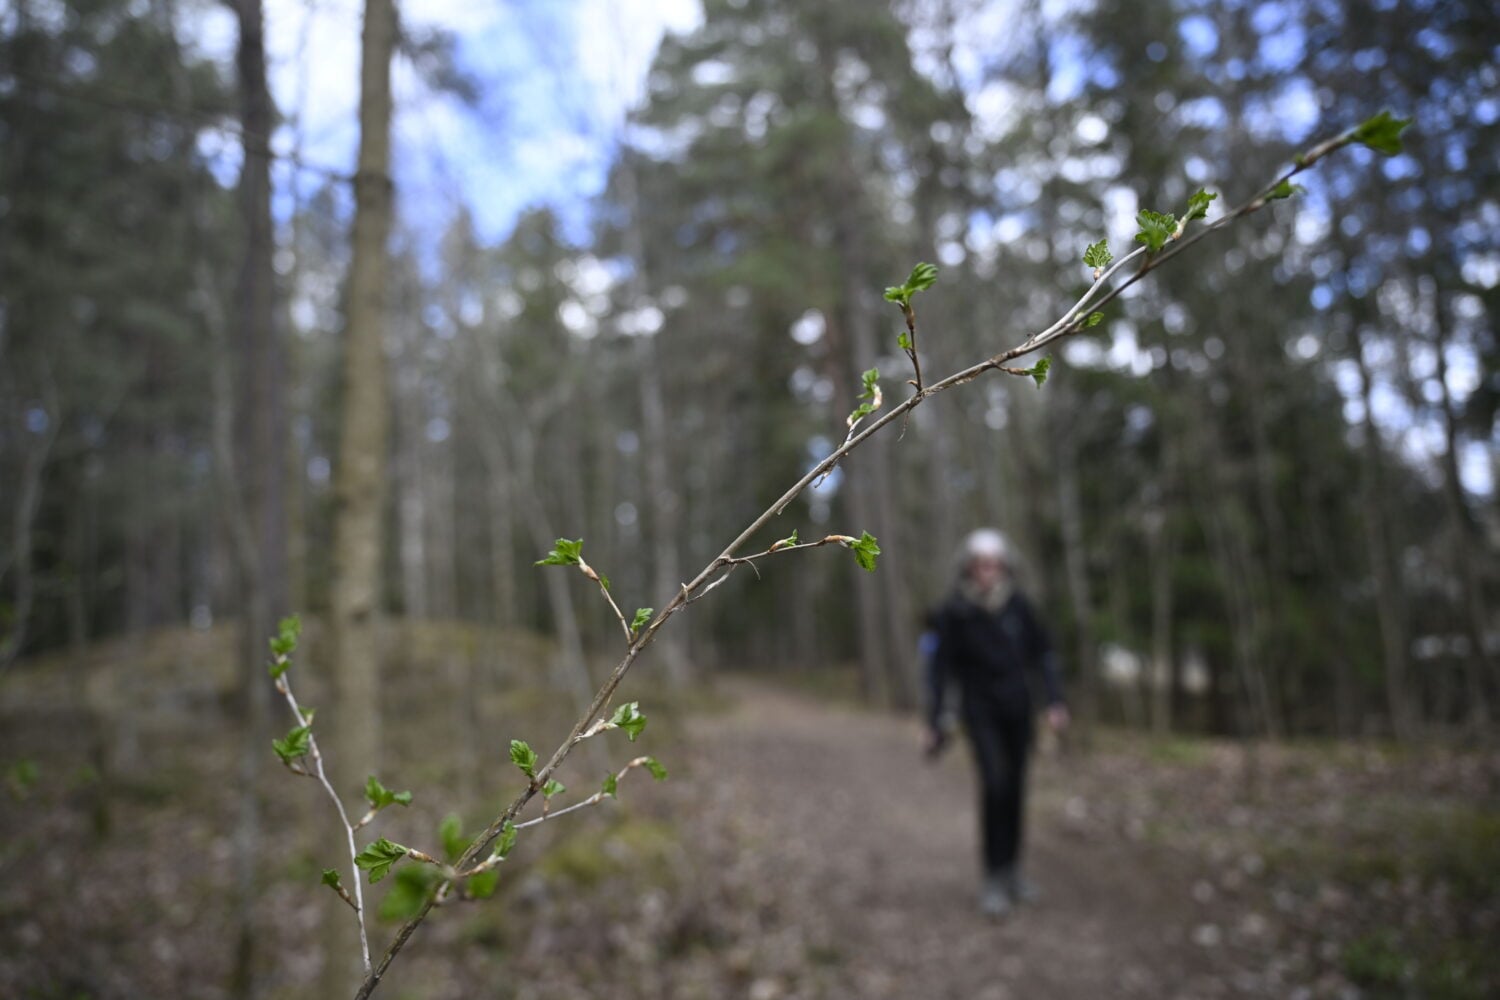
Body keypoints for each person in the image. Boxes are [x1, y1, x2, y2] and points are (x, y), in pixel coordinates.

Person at [923, 528, 1069, 918]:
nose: (987, 571)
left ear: (1005, 566)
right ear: (969, 567)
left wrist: (1054, 701)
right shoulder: (956, 612)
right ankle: (992, 875)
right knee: (994, 784)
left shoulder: (1019, 607)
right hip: (979, 711)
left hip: (1018, 710)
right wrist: (935, 720)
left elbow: (1044, 654)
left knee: (1016, 789)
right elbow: (939, 669)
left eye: (994, 564)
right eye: (980, 564)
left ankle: (1012, 870)